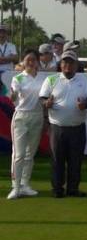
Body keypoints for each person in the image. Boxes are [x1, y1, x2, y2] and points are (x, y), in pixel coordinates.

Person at [39, 50, 87, 197]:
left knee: (76, 160)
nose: (68, 65)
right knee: (57, 160)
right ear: (60, 64)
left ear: (76, 65)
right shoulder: (51, 80)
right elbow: (42, 99)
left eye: (71, 62)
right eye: (65, 62)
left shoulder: (84, 81)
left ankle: (73, 189)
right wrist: (47, 103)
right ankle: (57, 189)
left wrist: (85, 105)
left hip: (77, 127)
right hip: (57, 127)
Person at [7, 49, 44, 199]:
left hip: (37, 116)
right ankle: (15, 187)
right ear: (23, 62)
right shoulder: (18, 79)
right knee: (19, 154)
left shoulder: (43, 79)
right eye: (27, 59)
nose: (30, 62)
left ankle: (25, 185)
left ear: (37, 62)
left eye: (33, 59)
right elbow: (14, 94)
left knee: (30, 154)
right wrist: (13, 95)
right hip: (21, 116)